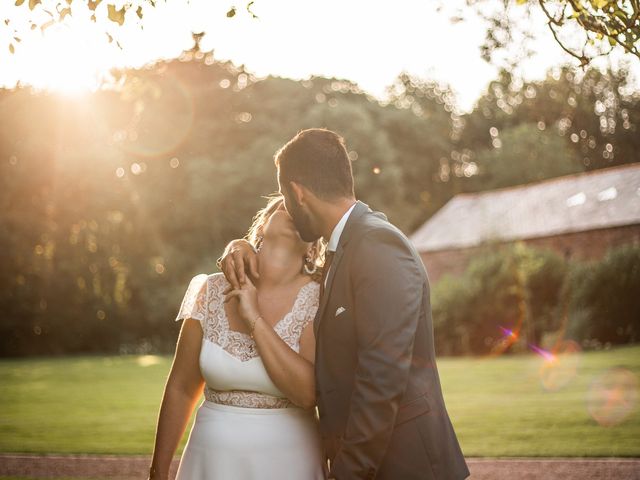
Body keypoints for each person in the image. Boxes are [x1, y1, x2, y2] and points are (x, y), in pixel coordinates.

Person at [220, 128, 470, 480]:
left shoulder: (377, 245)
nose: (286, 209)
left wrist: (347, 473)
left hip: (402, 466)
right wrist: (239, 245)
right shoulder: (347, 246)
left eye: (285, 198)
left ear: (298, 193)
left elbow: (381, 380)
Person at [148, 195, 326, 480]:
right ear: (262, 226)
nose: (295, 211)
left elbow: (307, 394)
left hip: (288, 465)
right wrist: (157, 472)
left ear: (312, 246)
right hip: (208, 463)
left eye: (304, 213)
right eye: (286, 206)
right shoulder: (211, 289)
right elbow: (181, 388)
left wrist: (253, 316)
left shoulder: (319, 298)